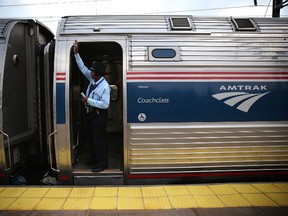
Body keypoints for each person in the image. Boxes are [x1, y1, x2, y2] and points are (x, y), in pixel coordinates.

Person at [73, 40, 110, 172]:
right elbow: (82, 68)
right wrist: (76, 54)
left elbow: (105, 105)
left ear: (97, 74)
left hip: (99, 115)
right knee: (91, 138)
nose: (90, 72)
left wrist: (88, 101)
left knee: (99, 140)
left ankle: (102, 164)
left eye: (93, 71)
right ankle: (94, 160)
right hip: (91, 114)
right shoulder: (93, 79)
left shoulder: (104, 86)